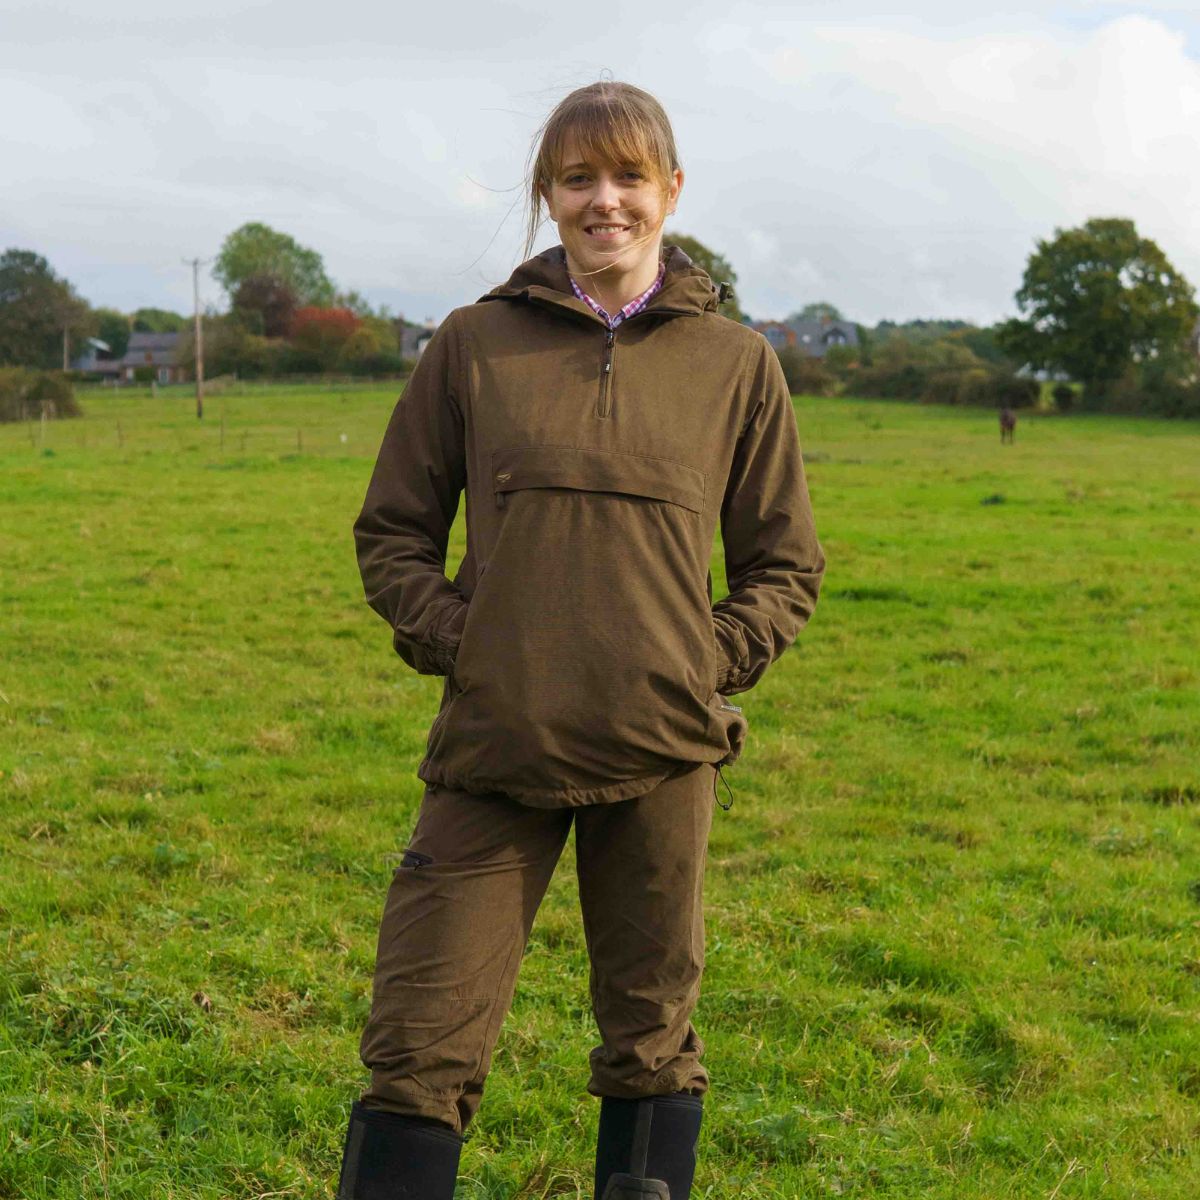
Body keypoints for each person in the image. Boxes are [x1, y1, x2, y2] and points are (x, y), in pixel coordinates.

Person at [336, 81, 825, 1199]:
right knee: (418, 1043)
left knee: (653, 1041)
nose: (604, 201)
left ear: (670, 191)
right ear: (548, 195)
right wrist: (473, 644)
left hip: (662, 750)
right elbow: (393, 536)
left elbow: (785, 563)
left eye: (628, 177)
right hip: (497, 746)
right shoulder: (470, 347)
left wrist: (701, 662)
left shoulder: (736, 364)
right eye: (577, 179)